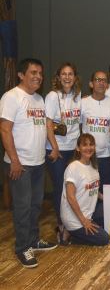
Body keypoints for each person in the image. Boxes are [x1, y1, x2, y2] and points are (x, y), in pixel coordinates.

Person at [0, 58, 57, 268]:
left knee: (35, 205)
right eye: (33, 72)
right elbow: (5, 130)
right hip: (20, 164)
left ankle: (33, 240)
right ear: (21, 75)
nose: (38, 77)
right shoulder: (11, 97)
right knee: (23, 207)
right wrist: (14, 161)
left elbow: (40, 127)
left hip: (38, 162)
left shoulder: (39, 99)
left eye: (40, 73)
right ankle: (23, 248)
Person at [45, 62, 82, 237]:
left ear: (75, 78)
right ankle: (62, 225)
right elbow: (48, 123)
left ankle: (72, 222)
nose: (67, 77)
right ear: (58, 77)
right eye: (64, 74)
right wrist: (54, 147)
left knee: (72, 186)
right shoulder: (53, 96)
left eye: (70, 74)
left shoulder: (78, 95)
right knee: (60, 188)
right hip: (57, 150)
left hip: (72, 150)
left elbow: (78, 124)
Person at [59, 133, 110, 246]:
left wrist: (108, 199)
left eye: (91, 145)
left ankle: (73, 232)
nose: (89, 148)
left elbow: (93, 190)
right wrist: (84, 221)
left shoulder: (93, 166)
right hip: (75, 218)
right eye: (85, 145)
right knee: (104, 239)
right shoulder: (73, 167)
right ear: (78, 148)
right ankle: (70, 235)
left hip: (88, 214)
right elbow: (70, 197)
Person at [81, 71, 110, 192]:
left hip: (106, 156)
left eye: (104, 80)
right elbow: (78, 127)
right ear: (91, 84)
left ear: (107, 85)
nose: (101, 83)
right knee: (88, 190)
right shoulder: (83, 103)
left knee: (105, 190)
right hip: (87, 155)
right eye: (98, 80)